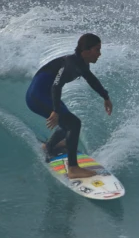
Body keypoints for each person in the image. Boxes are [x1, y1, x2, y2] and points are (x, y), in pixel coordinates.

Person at [26, 33, 113, 179]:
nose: (99, 53)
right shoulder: (70, 64)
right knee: (74, 123)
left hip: (46, 94)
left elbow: (91, 79)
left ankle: (48, 147)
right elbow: (56, 86)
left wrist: (105, 97)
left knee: (67, 123)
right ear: (86, 51)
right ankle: (73, 169)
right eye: (97, 49)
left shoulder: (82, 63)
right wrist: (55, 110)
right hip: (38, 96)